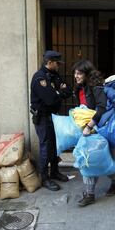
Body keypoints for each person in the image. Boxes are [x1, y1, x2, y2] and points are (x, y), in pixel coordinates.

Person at [73, 60, 115, 207]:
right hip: (89, 129)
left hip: (102, 128)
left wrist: (89, 125)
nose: (76, 76)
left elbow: (101, 108)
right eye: (75, 73)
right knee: (88, 160)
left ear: (87, 74)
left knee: (109, 158)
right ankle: (90, 194)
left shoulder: (96, 87)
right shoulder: (80, 88)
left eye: (79, 73)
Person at [30, 50, 72, 191]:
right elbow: (50, 99)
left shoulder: (54, 75)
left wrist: (58, 93)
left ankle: (54, 172)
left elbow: (68, 91)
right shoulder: (39, 78)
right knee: (46, 147)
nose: (59, 65)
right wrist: (59, 93)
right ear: (49, 62)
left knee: (55, 145)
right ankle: (44, 178)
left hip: (54, 117)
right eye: (57, 63)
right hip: (43, 118)